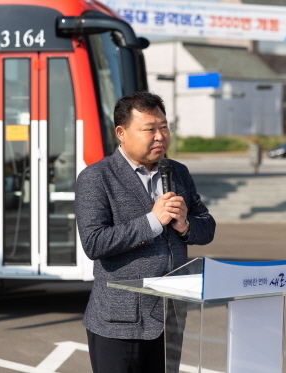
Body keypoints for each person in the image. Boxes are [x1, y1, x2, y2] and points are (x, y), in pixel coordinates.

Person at [74, 91, 216, 373]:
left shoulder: (177, 172)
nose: (160, 136)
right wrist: (153, 220)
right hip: (119, 321)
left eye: (164, 127)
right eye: (149, 129)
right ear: (122, 133)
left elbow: (208, 228)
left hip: (169, 315)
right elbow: (94, 243)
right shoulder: (95, 177)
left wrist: (185, 225)